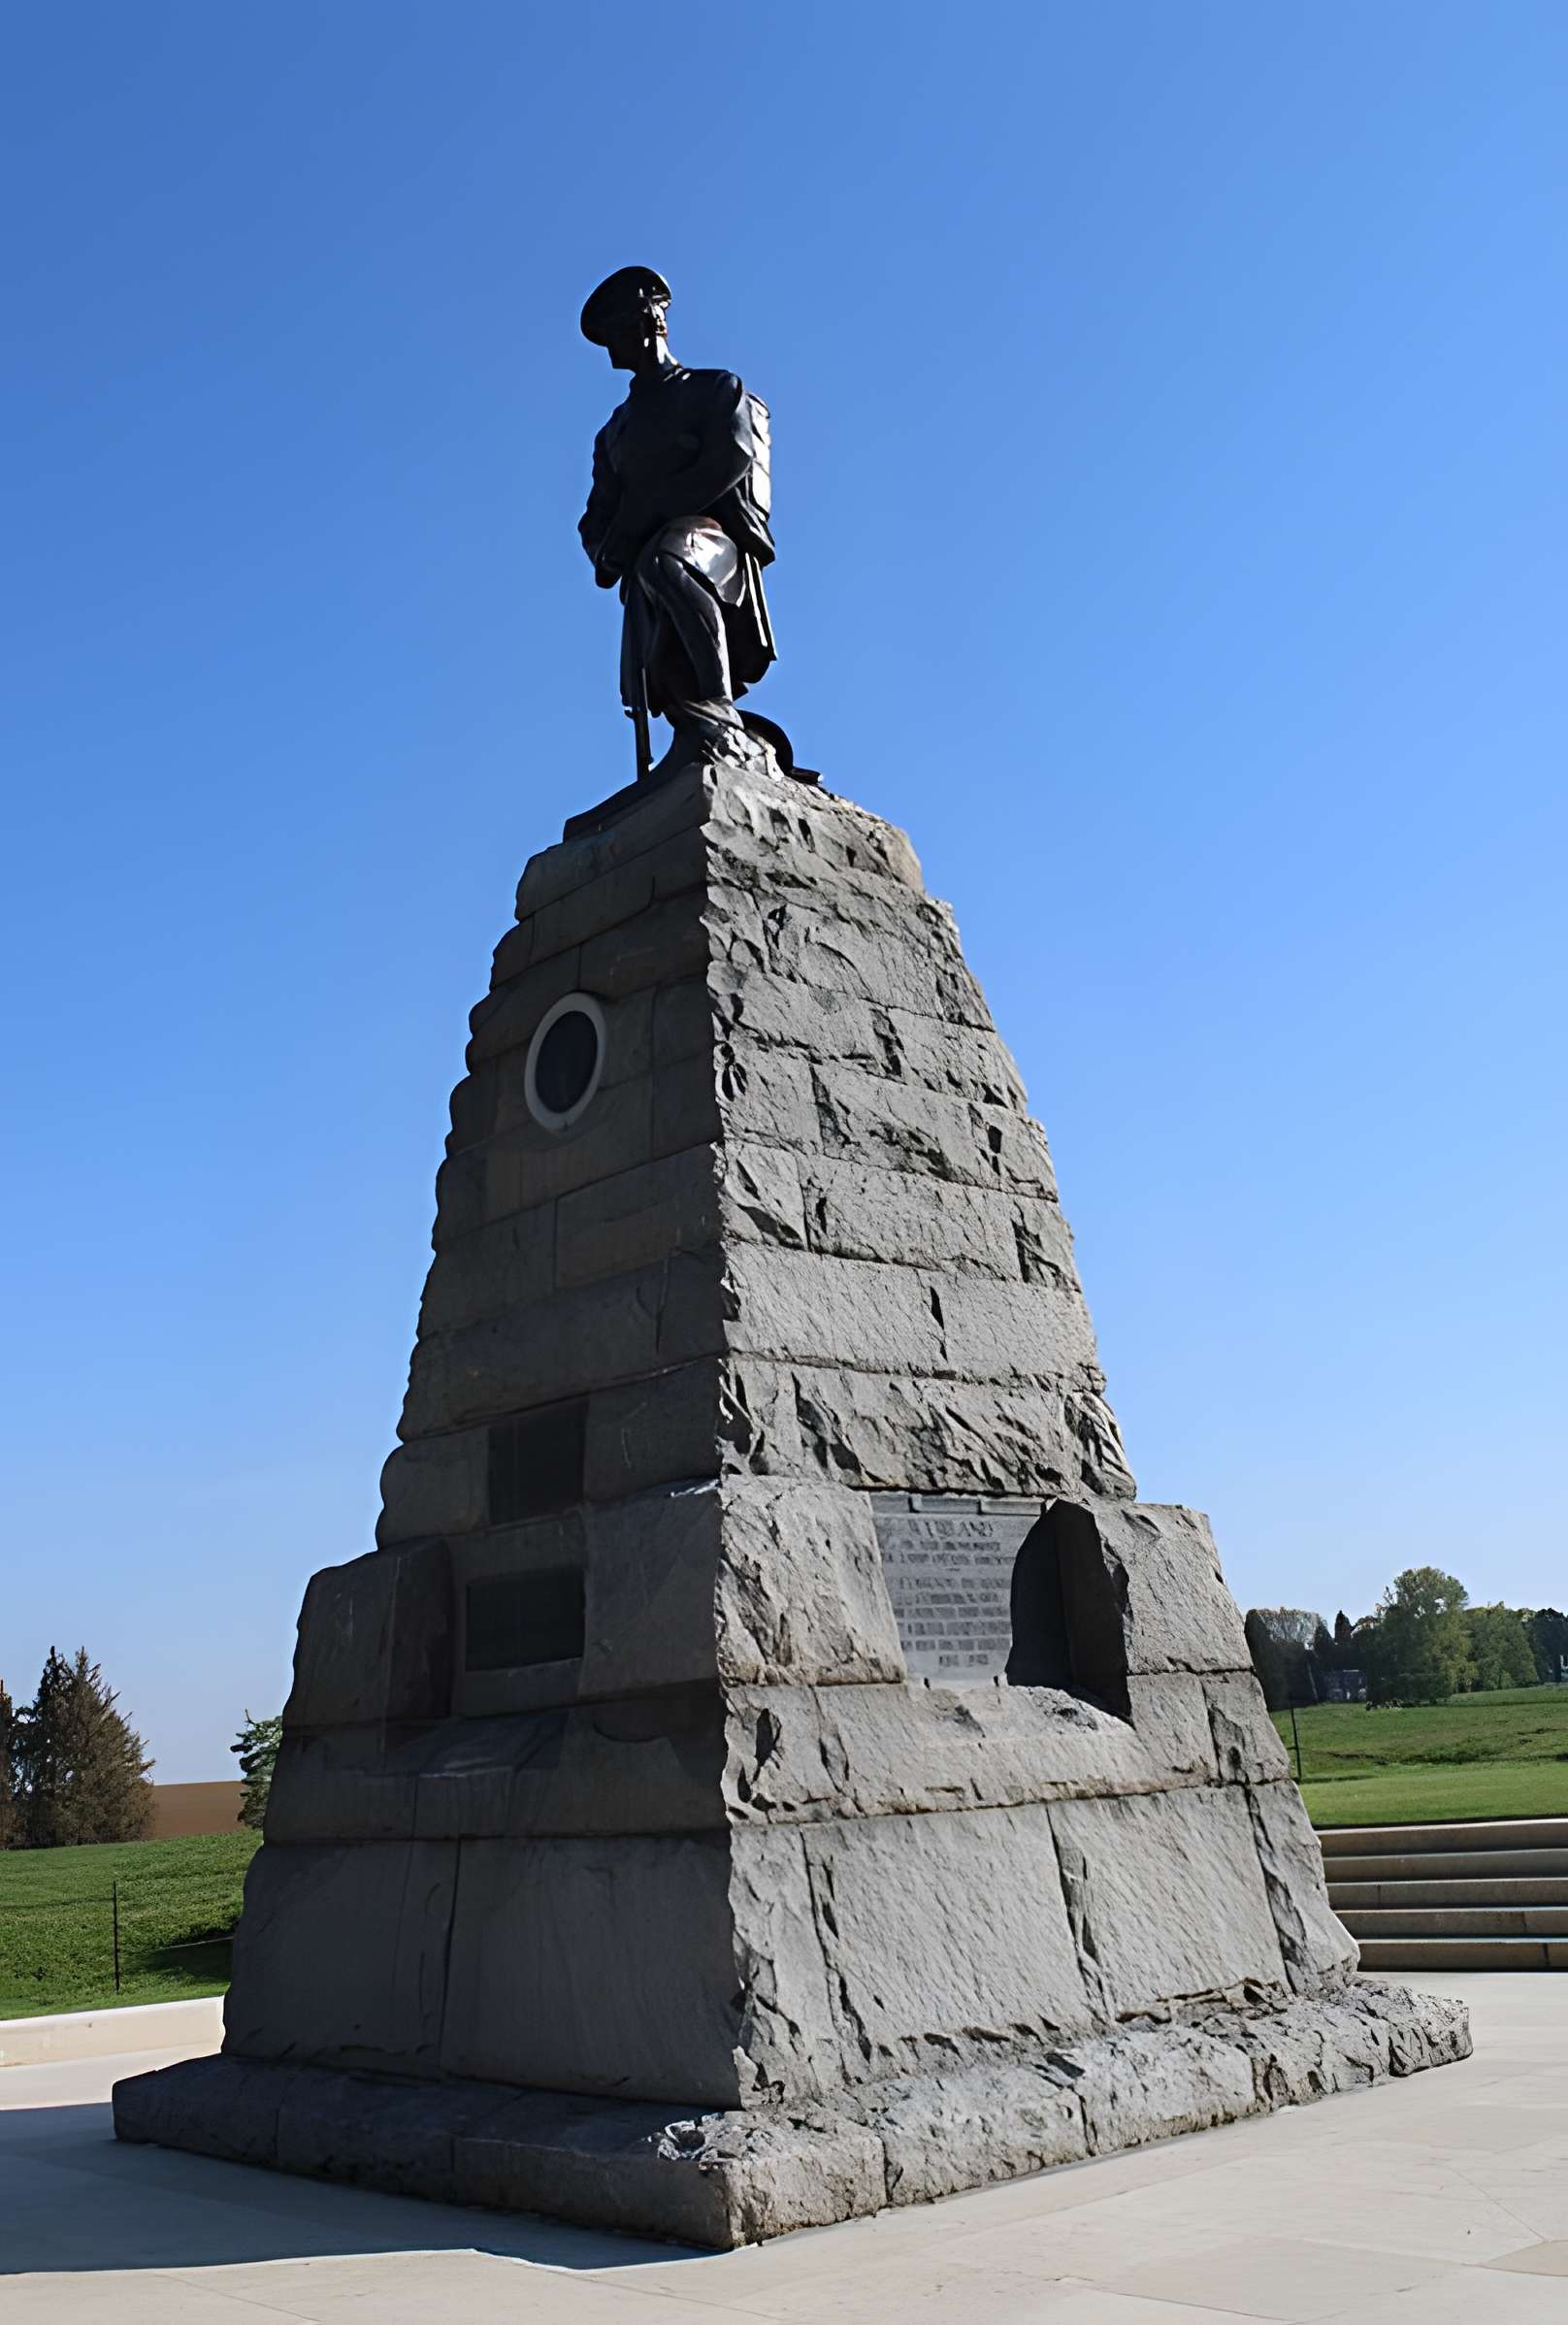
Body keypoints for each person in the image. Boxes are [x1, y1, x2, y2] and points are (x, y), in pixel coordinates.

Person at [578, 267, 777, 778]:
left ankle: (720, 711)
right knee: (664, 663)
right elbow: (596, 518)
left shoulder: (714, 388)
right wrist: (607, 549)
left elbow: (728, 460)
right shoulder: (614, 433)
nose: (610, 351)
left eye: (616, 333)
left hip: (711, 544)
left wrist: (647, 513)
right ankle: (694, 735)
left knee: (668, 560)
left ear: (649, 323)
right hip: (644, 562)